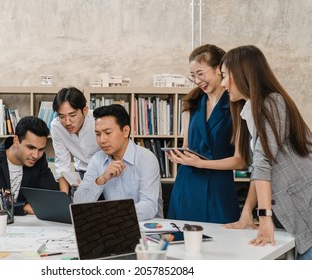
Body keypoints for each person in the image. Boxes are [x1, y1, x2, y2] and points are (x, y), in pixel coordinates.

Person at [221, 45, 312, 260]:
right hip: (292, 211)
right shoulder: (249, 110)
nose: (223, 83)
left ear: (242, 73)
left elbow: (263, 163)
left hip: (305, 208)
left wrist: (263, 218)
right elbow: (259, 170)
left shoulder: (273, 103)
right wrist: (246, 214)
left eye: (225, 76)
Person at [167, 44, 246, 224]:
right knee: (180, 244)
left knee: (220, 245)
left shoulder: (237, 105)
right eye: (193, 75)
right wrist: (179, 156)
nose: (196, 80)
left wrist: (202, 163)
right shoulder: (191, 103)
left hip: (218, 187)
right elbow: (187, 146)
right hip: (186, 185)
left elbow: (240, 160)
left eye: (200, 74)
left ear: (219, 69)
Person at [73, 104, 163, 221]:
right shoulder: (98, 159)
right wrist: (101, 179)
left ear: (125, 131)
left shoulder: (146, 159)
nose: (102, 140)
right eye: (98, 134)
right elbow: (78, 202)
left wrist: (111, 214)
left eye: (108, 133)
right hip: (115, 227)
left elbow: (149, 207)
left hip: (149, 229)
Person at [0, 116, 58, 215]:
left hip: (26, 226)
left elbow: (52, 199)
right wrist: (23, 207)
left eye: (41, 149)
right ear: (16, 141)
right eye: (30, 147)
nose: (36, 155)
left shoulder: (39, 160)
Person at [50, 87, 100, 195]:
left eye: (72, 115)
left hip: (104, 173)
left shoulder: (98, 121)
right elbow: (62, 165)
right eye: (62, 116)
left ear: (85, 110)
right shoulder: (56, 126)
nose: (67, 122)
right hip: (81, 174)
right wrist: (64, 198)